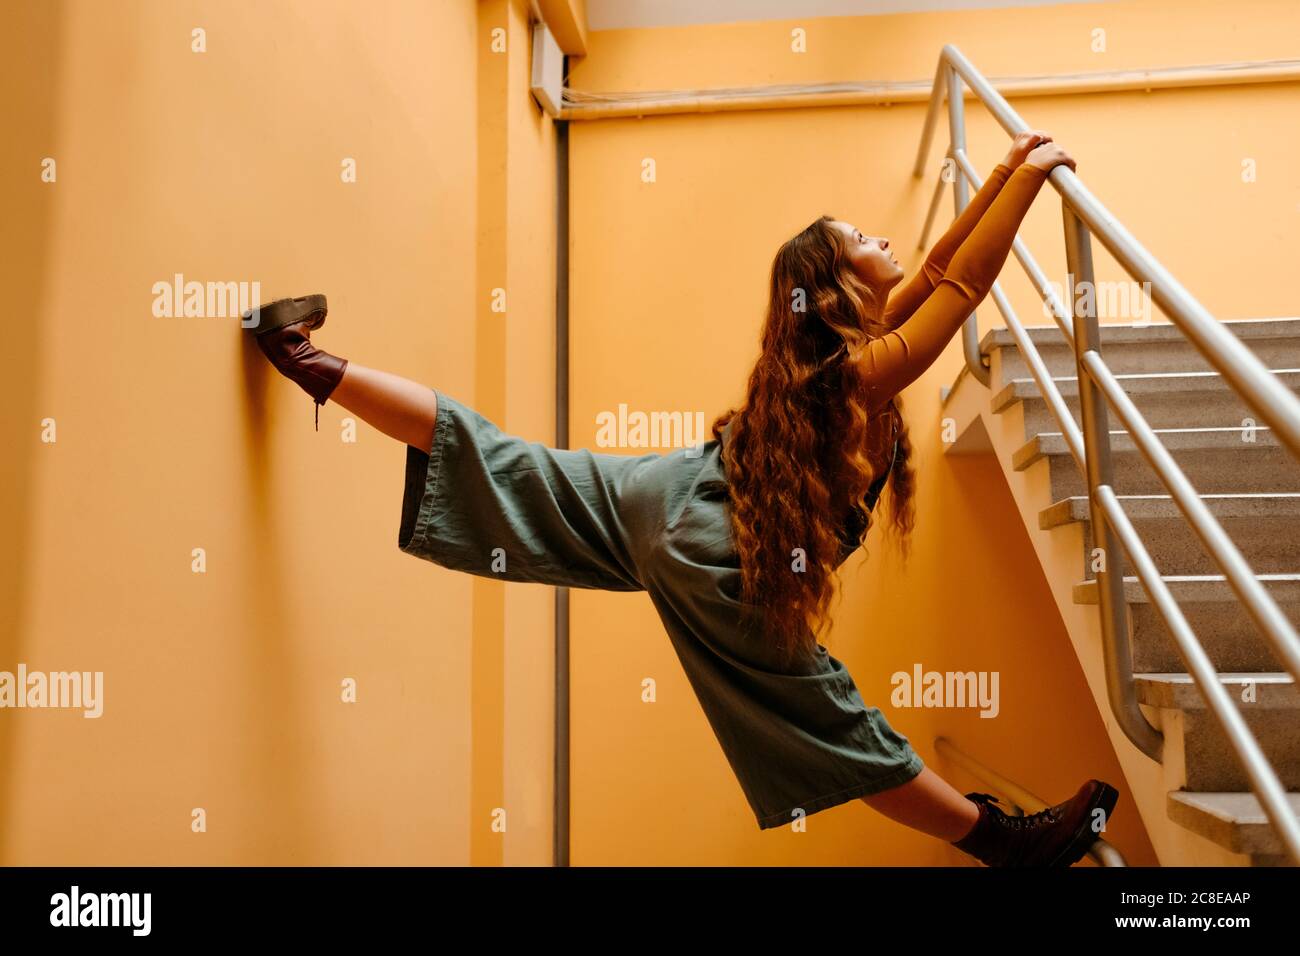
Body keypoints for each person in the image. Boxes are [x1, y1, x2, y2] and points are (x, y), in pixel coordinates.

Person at [243, 129, 1118, 867]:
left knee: (503, 457)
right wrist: (1034, 179)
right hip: (708, 534)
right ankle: (1003, 841)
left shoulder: (839, 363)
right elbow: (961, 288)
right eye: (859, 237)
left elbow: (937, 269)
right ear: (838, 282)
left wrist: (1009, 170)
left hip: (671, 490)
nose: (883, 241)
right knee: (824, 712)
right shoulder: (853, 378)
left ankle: (309, 362)